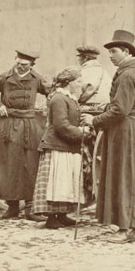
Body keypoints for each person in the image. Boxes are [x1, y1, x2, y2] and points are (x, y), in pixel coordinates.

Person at [81, 30, 135, 243]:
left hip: (124, 131)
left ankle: (124, 229)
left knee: (123, 178)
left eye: (114, 51)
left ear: (126, 52)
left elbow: (120, 110)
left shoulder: (127, 74)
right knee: (134, 178)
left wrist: (94, 120)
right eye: (109, 52)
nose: (110, 56)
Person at [0, 49, 51, 221]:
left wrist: (49, 108)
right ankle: (11, 207)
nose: (20, 67)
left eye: (24, 65)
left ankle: (30, 208)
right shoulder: (5, 77)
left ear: (32, 65)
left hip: (28, 125)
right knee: (8, 164)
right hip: (8, 124)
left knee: (30, 164)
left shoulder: (37, 78)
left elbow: (52, 92)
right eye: (18, 63)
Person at [32, 66, 90, 228]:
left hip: (68, 146)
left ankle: (62, 214)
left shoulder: (70, 98)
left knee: (65, 182)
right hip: (57, 146)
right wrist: (81, 132)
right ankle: (51, 217)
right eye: (78, 81)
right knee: (55, 182)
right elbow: (61, 125)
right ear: (68, 82)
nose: (81, 84)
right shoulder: (59, 98)